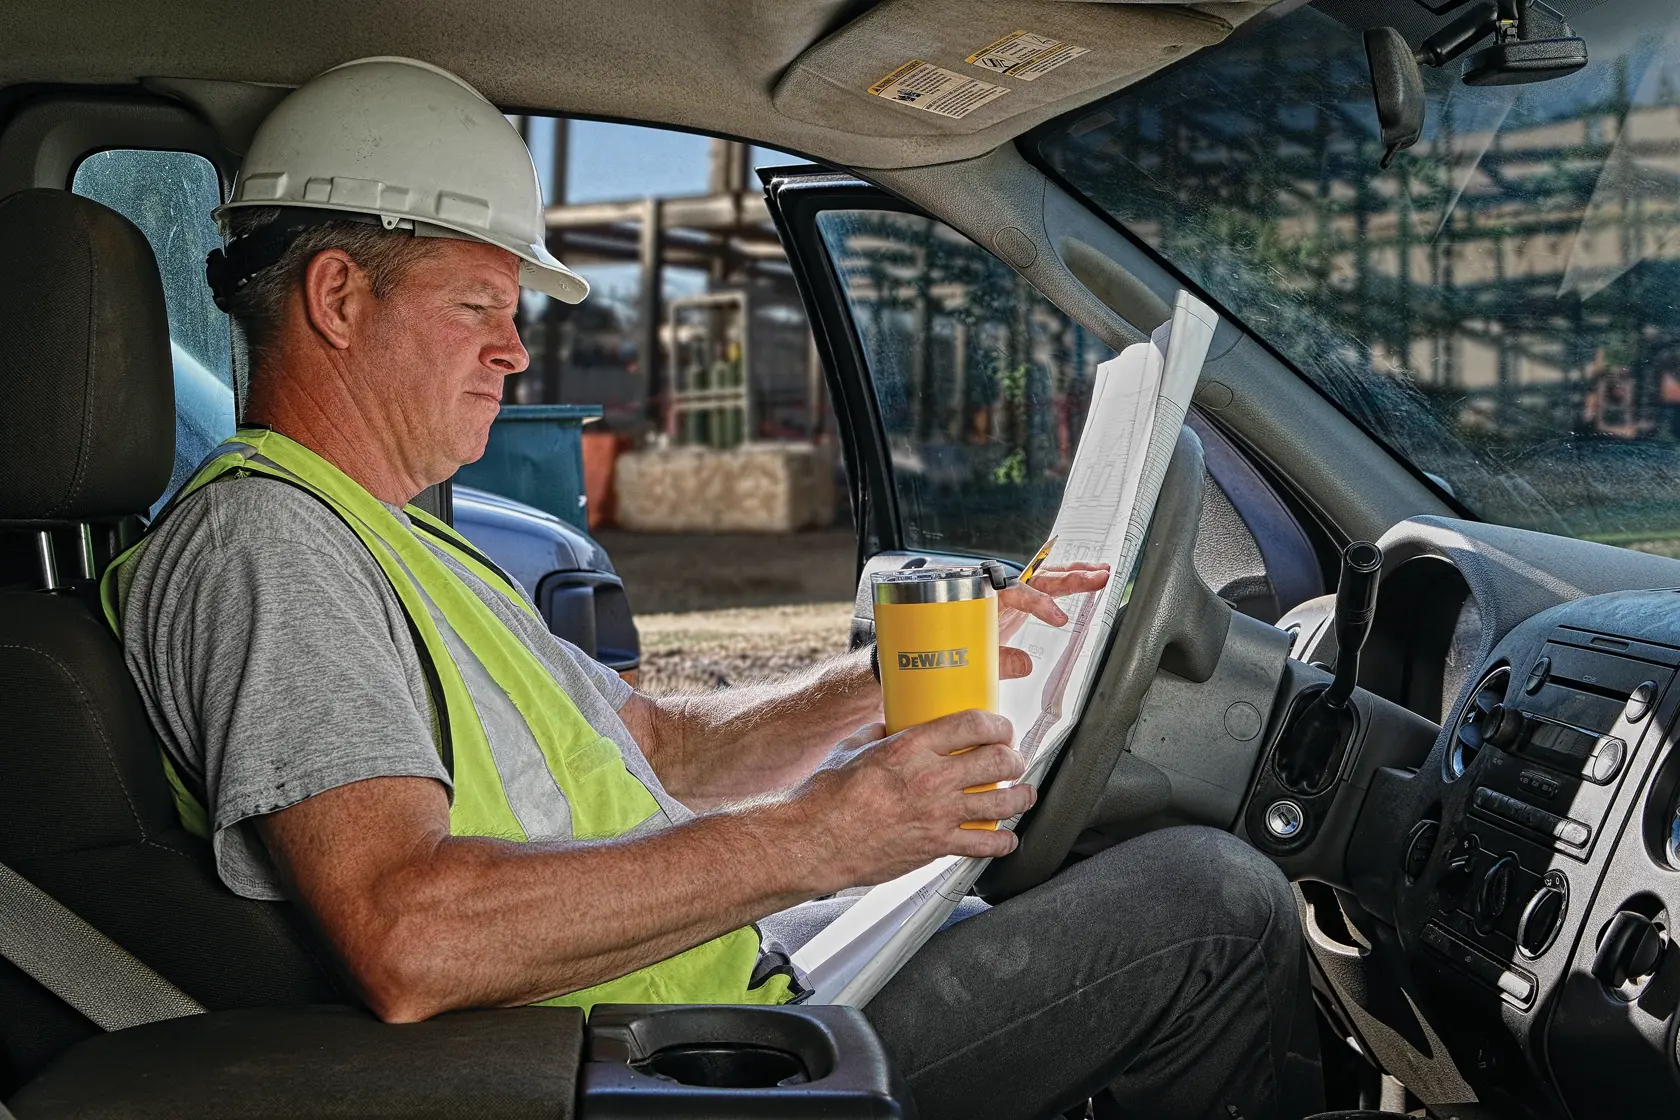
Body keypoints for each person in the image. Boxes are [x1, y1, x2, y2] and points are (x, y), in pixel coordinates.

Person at [108, 56, 1320, 1120]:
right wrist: (820, 837)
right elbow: (409, 933)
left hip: (705, 1005)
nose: (516, 350)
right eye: (479, 304)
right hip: (645, 1068)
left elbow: (666, 748)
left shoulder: (399, 542)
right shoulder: (265, 548)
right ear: (336, 298)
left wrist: (889, 676)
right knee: (1214, 903)